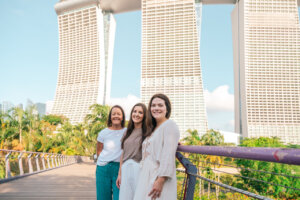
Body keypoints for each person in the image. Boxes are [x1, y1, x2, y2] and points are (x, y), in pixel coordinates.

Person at [134, 94, 180, 200]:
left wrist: (160, 180)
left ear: (167, 109)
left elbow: (168, 155)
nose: (156, 108)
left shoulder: (170, 125)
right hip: (146, 175)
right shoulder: (153, 129)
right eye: (153, 105)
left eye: (160, 105)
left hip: (158, 176)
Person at [116, 103, 151, 200]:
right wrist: (120, 174)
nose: (137, 114)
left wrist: (174, 141)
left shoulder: (148, 131)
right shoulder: (127, 132)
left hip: (139, 169)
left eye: (140, 112)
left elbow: (160, 138)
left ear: (144, 116)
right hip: (125, 169)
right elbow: (123, 153)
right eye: (135, 111)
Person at [96, 105, 126, 200]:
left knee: (120, 197)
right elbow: (99, 151)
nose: (116, 116)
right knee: (103, 198)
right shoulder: (103, 133)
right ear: (110, 117)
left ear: (122, 117)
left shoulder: (127, 132)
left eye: (118, 114)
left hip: (120, 169)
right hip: (103, 169)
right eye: (113, 114)